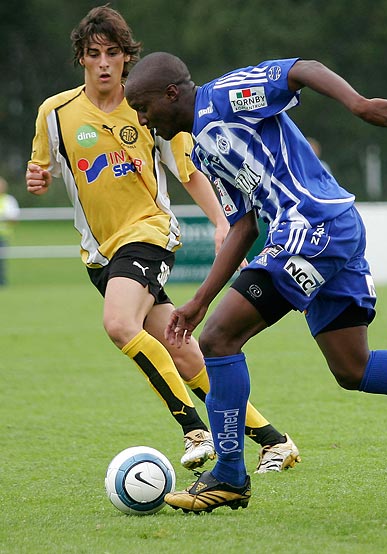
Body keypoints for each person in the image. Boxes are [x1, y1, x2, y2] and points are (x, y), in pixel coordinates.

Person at [124, 50, 387, 514]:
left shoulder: (226, 98)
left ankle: (229, 474)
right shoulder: (202, 149)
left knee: (218, 340)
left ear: (172, 93)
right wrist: (199, 301)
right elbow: (244, 227)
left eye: (145, 108)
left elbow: (299, 70)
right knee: (352, 368)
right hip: (324, 230)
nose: (145, 121)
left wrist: (357, 103)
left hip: (312, 226)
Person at [25, 5, 299, 473]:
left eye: (114, 53)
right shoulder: (55, 112)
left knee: (118, 324)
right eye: (95, 54)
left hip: (150, 232)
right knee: (180, 346)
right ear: (82, 59)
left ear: (127, 58)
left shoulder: (148, 105)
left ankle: (193, 428)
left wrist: (221, 222)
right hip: (99, 252)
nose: (105, 62)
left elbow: (189, 172)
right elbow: (42, 167)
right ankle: (274, 440)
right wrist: (37, 178)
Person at [0, 176, 20, 286]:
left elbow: (14, 218)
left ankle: (1, 283)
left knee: (1, 261)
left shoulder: (8, 200)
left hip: (2, 235)